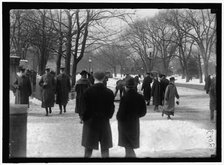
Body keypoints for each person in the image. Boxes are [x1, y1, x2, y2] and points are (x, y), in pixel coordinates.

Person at [81, 71, 115, 158]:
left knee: (88, 149)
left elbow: (84, 108)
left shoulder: (87, 92)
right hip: (104, 122)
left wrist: (84, 118)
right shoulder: (109, 93)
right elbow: (111, 110)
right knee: (105, 149)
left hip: (90, 123)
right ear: (104, 78)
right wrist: (107, 116)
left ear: (94, 78)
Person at [117, 77, 146, 157]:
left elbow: (120, 114)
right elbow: (143, 112)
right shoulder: (140, 97)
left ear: (126, 87)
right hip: (134, 123)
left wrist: (119, 118)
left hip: (125, 125)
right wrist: (135, 116)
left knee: (128, 146)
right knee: (130, 145)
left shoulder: (124, 98)